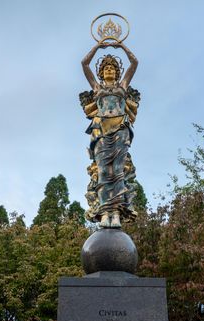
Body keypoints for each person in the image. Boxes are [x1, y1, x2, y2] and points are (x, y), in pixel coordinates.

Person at [80, 41, 140, 228]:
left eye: (112, 69)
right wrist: (97, 47)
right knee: (104, 172)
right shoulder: (98, 89)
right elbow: (84, 64)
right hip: (101, 130)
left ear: (117, 72)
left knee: (119, 172)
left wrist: (122, 46)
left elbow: (134, 63)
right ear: (101, 73)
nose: (109, 71)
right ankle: (105, 212)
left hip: (121, 128)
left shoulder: (122, 85)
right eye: (105, 69)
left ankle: (116, 214)